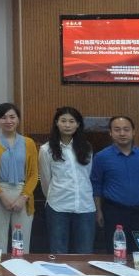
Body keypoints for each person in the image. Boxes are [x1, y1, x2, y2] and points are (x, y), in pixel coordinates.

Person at [91, 116, 139, 252]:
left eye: (126, 129)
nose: (122, 133)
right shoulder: (101, 157)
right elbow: (96, 186)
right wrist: (98, 211)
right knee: (116, 252)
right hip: (114, 212)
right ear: (110, 133)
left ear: (133, 132)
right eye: (117, 130)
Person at [0, 103, 38, 254]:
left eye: (12, 117)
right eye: (3, 117)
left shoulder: (29, 143)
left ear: (18, 119)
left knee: (21, 243)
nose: (8, 121)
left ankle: (20, 269)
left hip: (23, 194)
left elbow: (34, 174)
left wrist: (23, 197)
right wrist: (1, 195)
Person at [39, 106, 95, 254]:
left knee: (85, 252)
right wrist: (54, 196)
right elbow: (45, 180)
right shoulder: (46, 149)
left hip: (85, 206)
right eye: (63, 121)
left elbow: (87, 175)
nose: (67, 125)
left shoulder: (87, 147)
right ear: (56, 123)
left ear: (78, 124)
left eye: (72, 121)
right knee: (58, 252)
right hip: (58, 206)